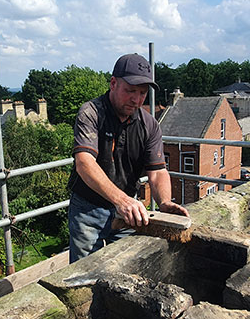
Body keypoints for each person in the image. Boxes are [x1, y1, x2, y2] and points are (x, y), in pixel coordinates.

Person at [67, 53, 189, 262]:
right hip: (88, 208)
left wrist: (165, 202)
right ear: (113, 83)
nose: (137, 99)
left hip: (128, 211)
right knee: (83, 273)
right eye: (131, 90)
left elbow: (158, 171)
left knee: (125, 265)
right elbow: (84, 163)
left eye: (142, 93)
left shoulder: (149, 125)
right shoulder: (91, 113)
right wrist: (122, 200)